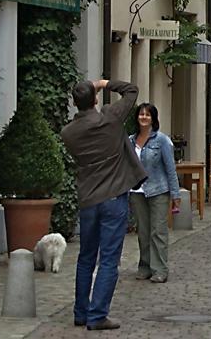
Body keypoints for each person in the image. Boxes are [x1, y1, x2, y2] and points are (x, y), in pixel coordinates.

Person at [61, 79, 146, 331]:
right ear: (95, 99)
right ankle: (97, 315)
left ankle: (81, 312)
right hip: (114, 196)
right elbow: (131, 90)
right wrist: (104, 83)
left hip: (88, 198)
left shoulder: (68, 133)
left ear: (75, 102)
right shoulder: (110, 118)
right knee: (109, 259)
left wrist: (93, 90)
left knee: (85, 257)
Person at [128, 103, 181, 284]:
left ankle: (160, 269)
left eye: (147, 115)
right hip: (137, 191)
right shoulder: (130, 141)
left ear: (153, 119)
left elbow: (170, 168)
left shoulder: (162, 140)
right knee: (143, 232)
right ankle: (145, 266)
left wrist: (175, 194)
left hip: (158, 190)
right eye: (141, 114)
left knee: (158, 231)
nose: (143, 117)